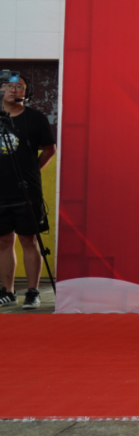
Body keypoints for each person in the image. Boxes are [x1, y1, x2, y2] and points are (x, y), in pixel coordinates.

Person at [0, 74, 56, 309]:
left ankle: (33, 291)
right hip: (1, 192)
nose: (14, 89)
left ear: (26, 92)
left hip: (27, 192)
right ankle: (7, 291)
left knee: (28, 239)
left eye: (19, 86)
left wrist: (32, 171)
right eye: (9, 86)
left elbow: (49, 149)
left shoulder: (35, 118)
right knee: (4, 241)